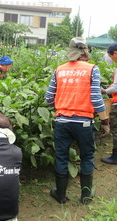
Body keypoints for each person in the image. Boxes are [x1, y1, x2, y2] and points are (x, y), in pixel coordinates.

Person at [45, 37, 109, 205]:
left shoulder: (59, 70)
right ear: (85, 52)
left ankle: (60, 195)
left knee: (61, 157)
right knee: (87, 156)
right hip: (84, 122)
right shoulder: (92, 69)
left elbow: (48, 97)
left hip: (61, 122)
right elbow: (96, 99)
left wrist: (61, 107)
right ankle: (86, 196)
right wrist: (104, 121)